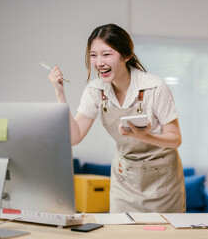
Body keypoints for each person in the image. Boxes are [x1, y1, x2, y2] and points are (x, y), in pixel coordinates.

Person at [48, 23, 186, 213]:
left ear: (126, 55)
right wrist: (60, 94)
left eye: (106, 54)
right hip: (124, 180)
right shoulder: (95, 90)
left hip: (162, 183)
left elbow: (175, 138)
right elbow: (74, 137)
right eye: (93, 55)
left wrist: (145, 136)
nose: (98, 62)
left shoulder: (155, 86)